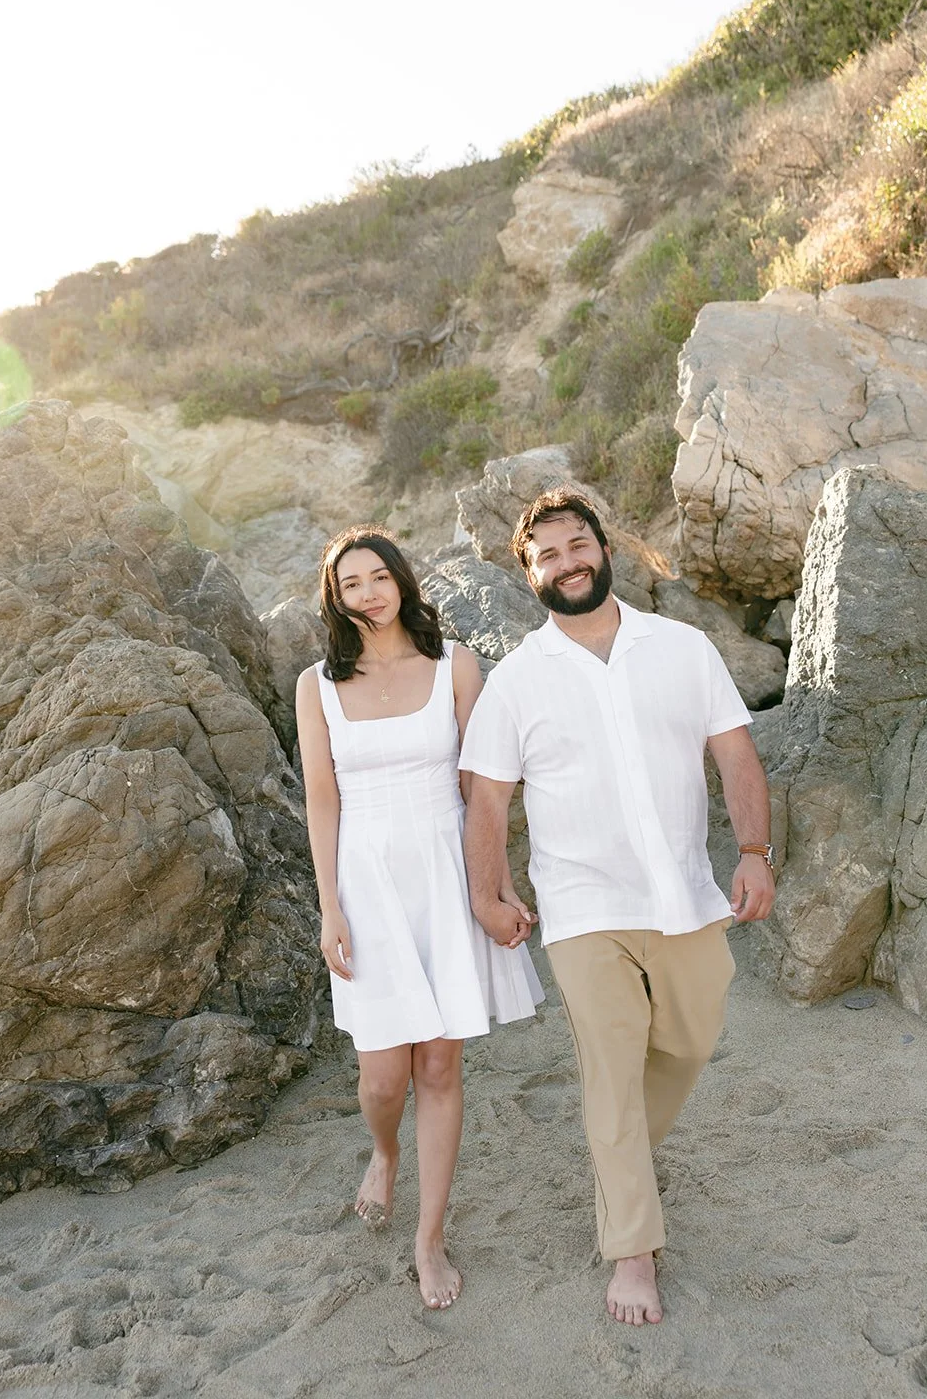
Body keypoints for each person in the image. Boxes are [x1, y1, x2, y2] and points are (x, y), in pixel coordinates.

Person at [460, 490, 775, 1327]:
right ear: (528, 575)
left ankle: (620, 1159)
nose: (566, 563)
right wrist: (487, 893)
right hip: (581, 905)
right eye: (546, 556)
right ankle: (632, 1250)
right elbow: (485, 800)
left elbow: (734, 752)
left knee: (690, 1039)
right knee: (609, 1065)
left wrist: (752, 853)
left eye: (576, 545)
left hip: (684, 893)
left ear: (605, 548)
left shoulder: (682, 647)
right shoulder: (517, 679)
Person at [295, 525, 543, 1311]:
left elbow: (486, 791)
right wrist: (328, 905)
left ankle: (428, 1237)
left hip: (443, 875)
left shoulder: (455, 667)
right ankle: (382, 1152)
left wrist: (494, 890)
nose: (368, 593)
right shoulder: (317, 685)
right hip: (365, 882)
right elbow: (321, 799)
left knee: (438, 1066)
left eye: (378, 577)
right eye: (351, 584)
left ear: (400, 580)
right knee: (382, 1075)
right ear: (336, 599)